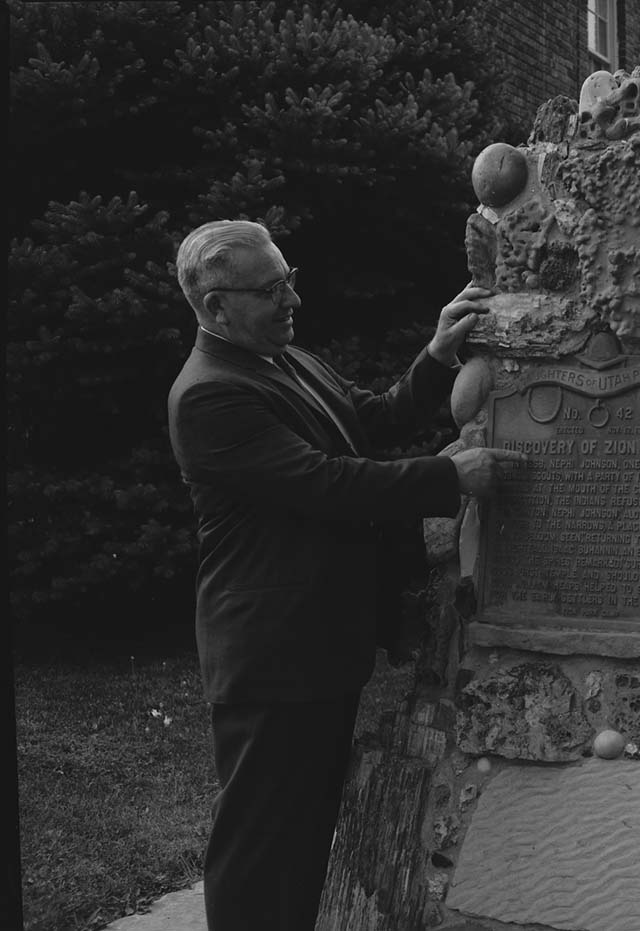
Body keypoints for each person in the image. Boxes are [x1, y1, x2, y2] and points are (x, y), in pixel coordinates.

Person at [167, 219, 524, 931]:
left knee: (303, 842)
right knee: (260, 851)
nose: (292, 297)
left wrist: (435, 354)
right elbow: (323, 482)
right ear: (216, 306)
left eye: (289, 276)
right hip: (270, 659)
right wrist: (447, 477)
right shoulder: (209, 394)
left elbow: (371, 416)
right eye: (271, 289)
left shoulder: (282, 356)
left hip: (318, 649)